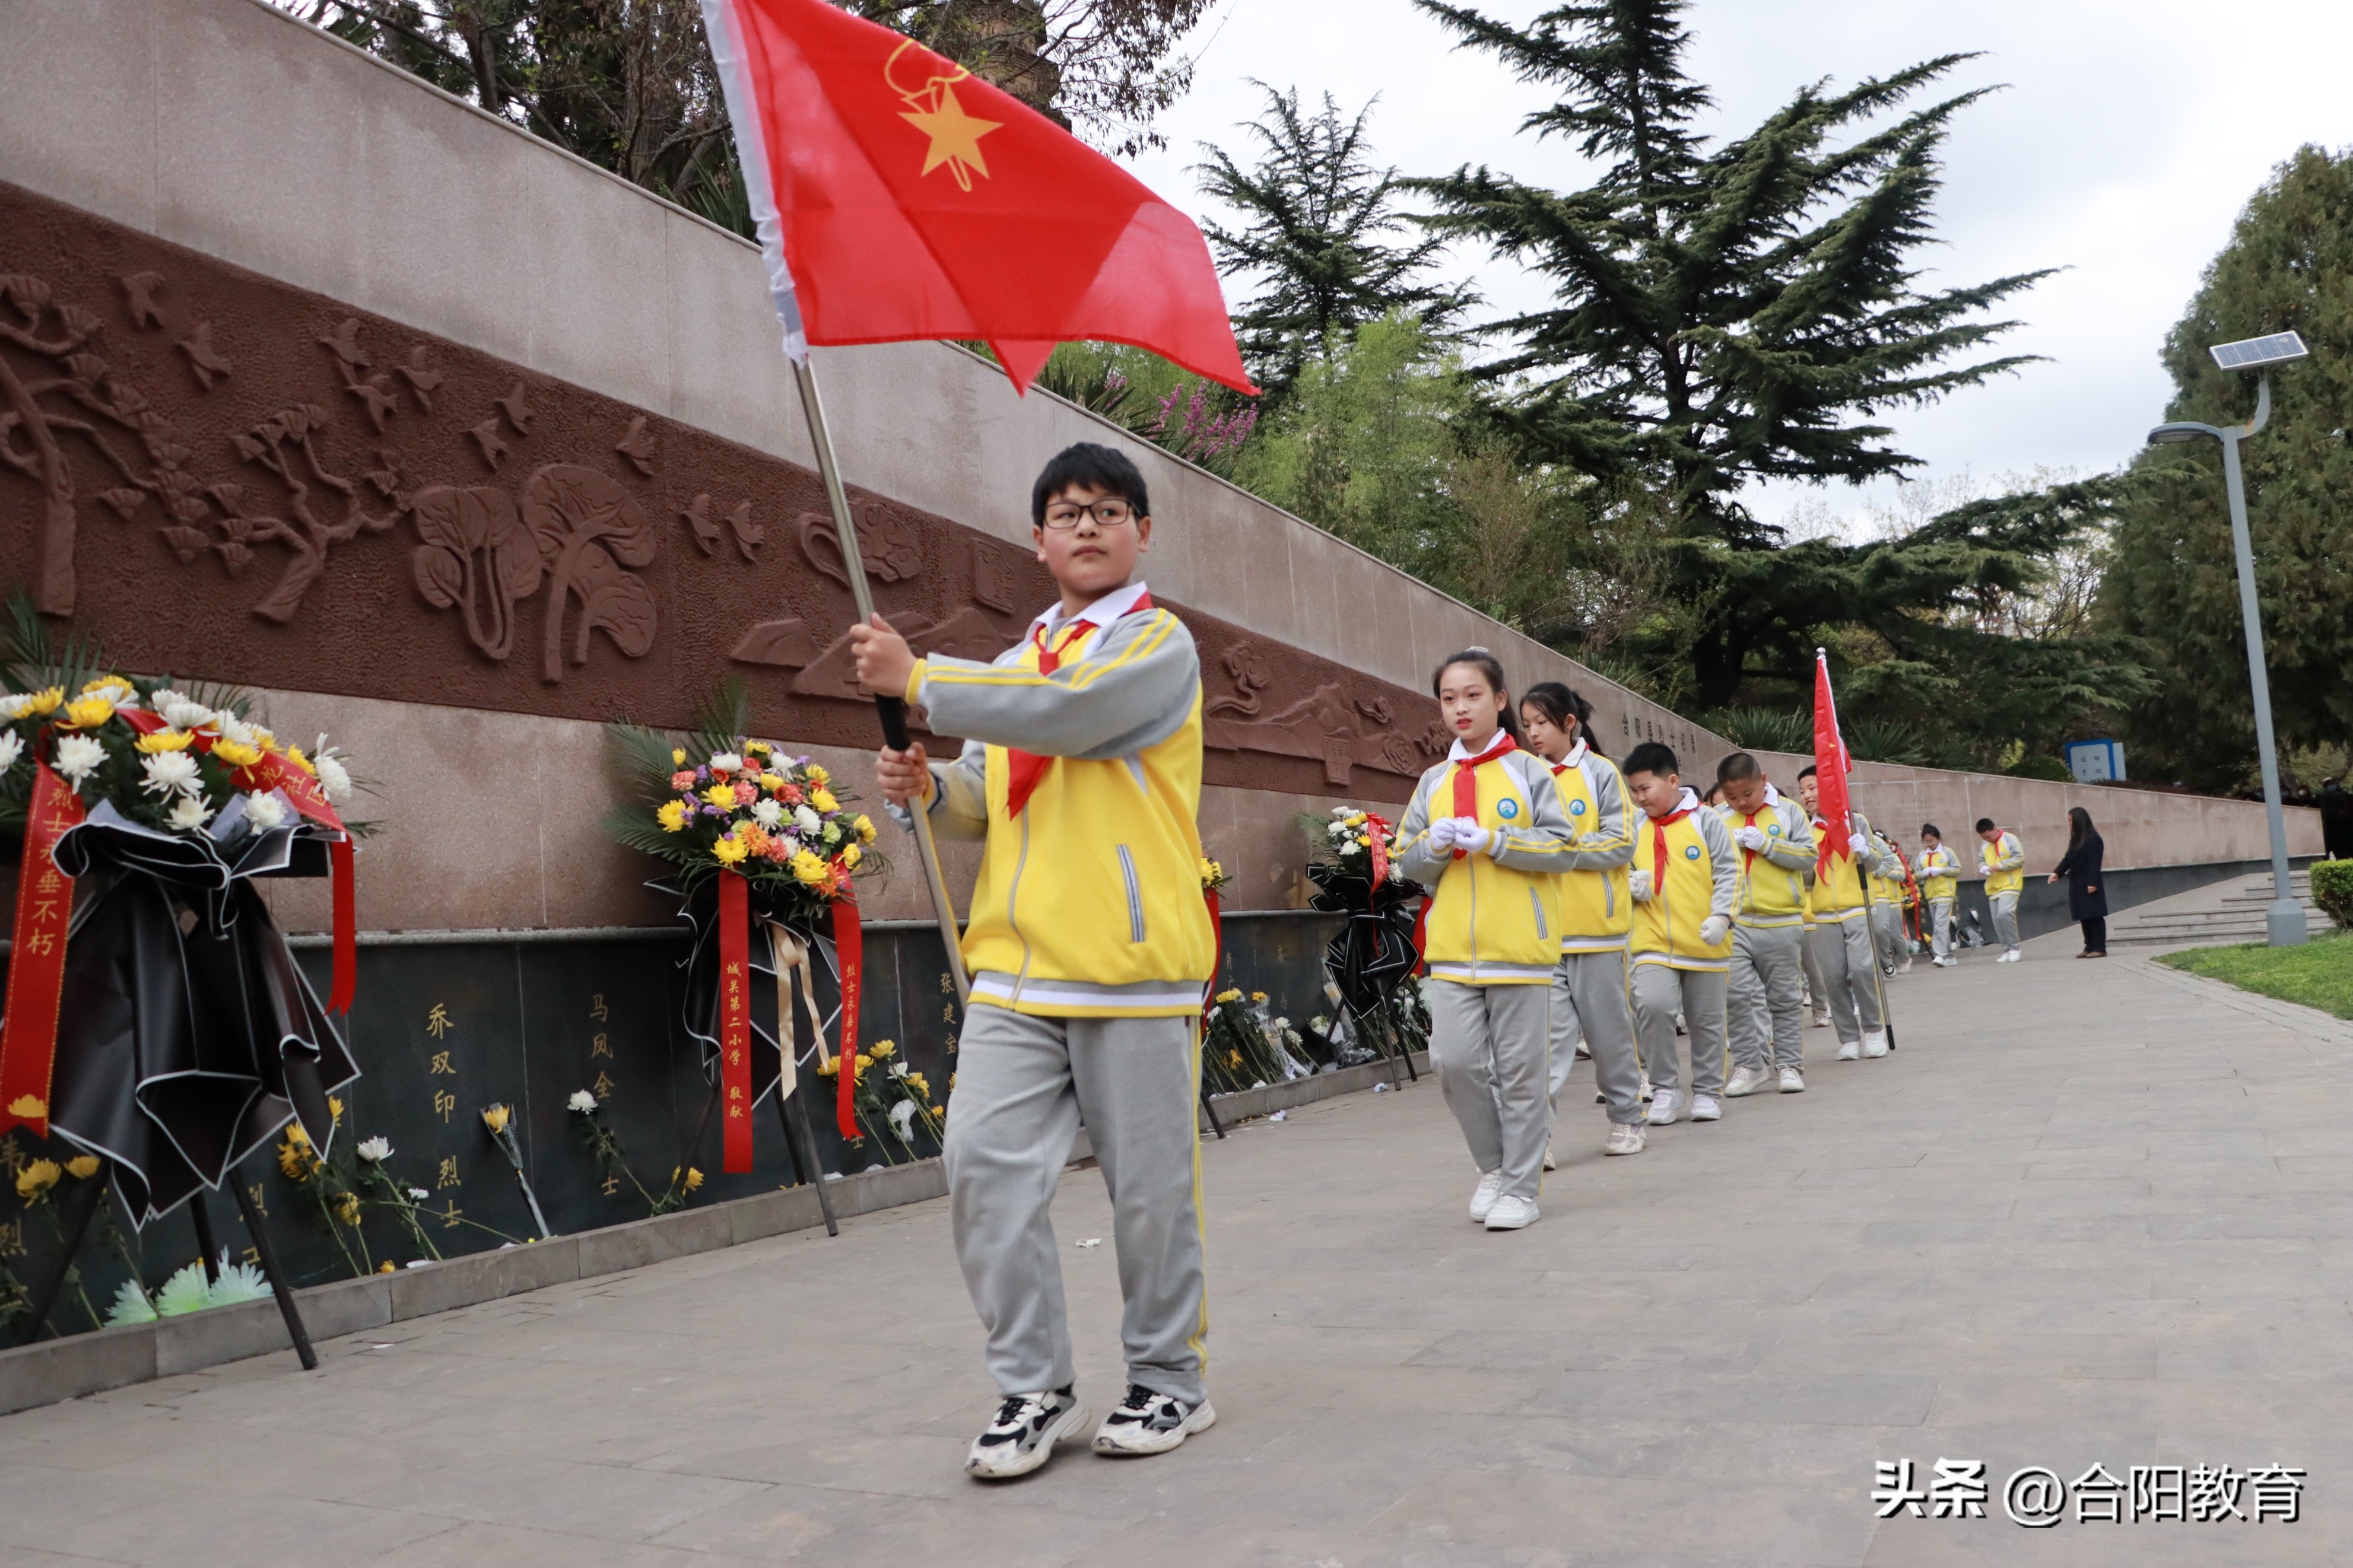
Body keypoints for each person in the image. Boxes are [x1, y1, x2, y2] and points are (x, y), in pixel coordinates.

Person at [856, 442, 1217, 1479]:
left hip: (1128, 961)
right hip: (1014, 969)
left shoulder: (1157, 647)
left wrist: (920, 677)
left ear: (1143, 530)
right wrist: (932, 792)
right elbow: (994, 794)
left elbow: (1077, 722)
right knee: (981, 1169)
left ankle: (1169, 1381)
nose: (1088, 525)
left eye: (1109, 509)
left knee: (1149, 1193)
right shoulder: (1018, 661)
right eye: (1067, 512)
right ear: (1038, 539)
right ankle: (1035, 1386)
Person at [1396, 651, 1577, 1232]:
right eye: (1448, 698)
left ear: (1498, 700)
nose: (1459, 709)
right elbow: (1407, 862)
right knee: (1453, 1063)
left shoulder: (1530, 771)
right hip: (1451, 951)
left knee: (1522, 1076)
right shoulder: (1433, 781)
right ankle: (1494, 1167)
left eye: (1471, 696)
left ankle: (1521, 1189)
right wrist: (1434, 846)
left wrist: (1495, 841)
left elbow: (1562, 847)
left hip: (1520, 950)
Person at [1517, 683, 1645, 1150]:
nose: (1532, 733)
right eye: (1526, 723)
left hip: (1597, 933)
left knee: (1609, 1038)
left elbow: (1620, 843)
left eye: (1541, 723)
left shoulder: (1601, 772)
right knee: (1542, 1048)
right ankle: (1537, 1138)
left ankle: (1628, 1118)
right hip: (1541, 936)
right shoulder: (1522, 775)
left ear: (1569, 723)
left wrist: (1558, 849)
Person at [1622, 743, 1735, 1124]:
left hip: (1706, 940)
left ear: (1672, 781)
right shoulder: (1633, 827)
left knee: (1706, 1020)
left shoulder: (1707, 821)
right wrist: (1628, 885)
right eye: (1634, 791)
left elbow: (1730, 873)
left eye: (1645, 789)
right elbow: (1612, 871)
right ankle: (1665, 1089)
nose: (1639, 799)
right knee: (1652, 1008)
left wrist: (1722, 917)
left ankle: (1706, 1090)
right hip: (1651, 941)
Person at [1714, 753, 1815, 1095]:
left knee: (1784, 998)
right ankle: (1749, 1064)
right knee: (1736, 996)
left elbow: (1808, 857)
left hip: (1781, 919)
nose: (1741, 803)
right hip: (1735, 921)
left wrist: (1769, 845)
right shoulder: (1716, 819)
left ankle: (1788, 1064)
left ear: (1764, 781)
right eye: (1732, 797)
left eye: (1748, 794)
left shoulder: (1788, 812)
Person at [1795, 765, 1897, 1063]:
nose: (1807, 795)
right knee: (1833, 977)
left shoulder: (1855, 821)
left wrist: (1865, 852)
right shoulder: (1806, 830)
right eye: (1802, 791)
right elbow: (1809, 880)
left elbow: (1876, 864)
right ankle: (1849, 1037)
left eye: (1812, 788)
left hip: (1857, 907)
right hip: (1824, 913)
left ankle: (1873, 1029)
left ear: (1828, 788)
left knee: (1863, 969)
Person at [2049, 806, 2108, 958]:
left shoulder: (2094, 839)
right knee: (2084, 915)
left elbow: (2095, 863)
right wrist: (2057, 872)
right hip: (2077, 883)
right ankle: (2089, 946)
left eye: (2071, 820)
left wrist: (2093, 883)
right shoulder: (2076, 840)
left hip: (2089, 882)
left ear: (2079, 821)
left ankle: (2099, 947)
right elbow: (2068, 859)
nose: (2069, 823)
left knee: (2094, 915)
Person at [1977, 818, 2026, 962]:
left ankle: (2014, 948)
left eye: (1989, 836)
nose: (1987, 840)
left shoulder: (2010, 839)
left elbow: (2020, 858)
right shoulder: (1985, 845)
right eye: (1984, 838)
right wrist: (1983, 868)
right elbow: (1981, 860)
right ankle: (2007, 950)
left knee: (2005, 914)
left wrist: (2001, 865)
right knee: (1997, 920)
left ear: (1995, 828)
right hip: (1993, 887)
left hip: (2010, 884)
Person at [1916, 825, 1961, 968]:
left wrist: (1942, 871)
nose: (1929, 844)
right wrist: (1924, 873)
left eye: (1932, 841)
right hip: (1931, 895)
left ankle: (1940, 955)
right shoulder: (1922, 856)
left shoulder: (1947, 853)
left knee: (1940, 925)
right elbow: (1916, 874)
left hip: (1945, 894)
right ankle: (1949, 956)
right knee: (1940, 926)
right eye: (1926, 841)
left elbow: (1957, 869)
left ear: (1938, 839)